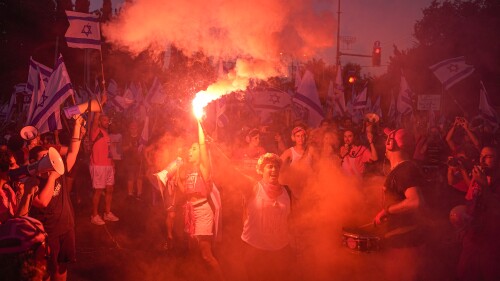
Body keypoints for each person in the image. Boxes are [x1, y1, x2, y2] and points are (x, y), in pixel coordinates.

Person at [28, 115, 85, 281]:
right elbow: (42, 202)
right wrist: (52, 178)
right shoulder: (32, 182)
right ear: (33, 162)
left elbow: (74, 151)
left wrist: (76, 125)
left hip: (67, 228)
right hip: (48, 235)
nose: (49, 160)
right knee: (45, 272)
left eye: (49, 156)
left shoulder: (58, 170)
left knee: (62, 267)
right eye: (43, 158)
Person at [374, 128, 426, 281]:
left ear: (391, 144)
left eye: (387, 139)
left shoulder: (405, 169)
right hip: (401, 240)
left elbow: (416, 202)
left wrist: (387, 211)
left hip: (406, 242)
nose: (385, 143)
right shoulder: (401, 169)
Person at [176, 119, 224, 281]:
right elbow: (186, 193)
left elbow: (203, 147)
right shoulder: (189, 171)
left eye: (194, 148)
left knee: (206, 255)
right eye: (190, 148)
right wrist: (177, 179)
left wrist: (198, 122)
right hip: (190, 212)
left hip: (203, 212)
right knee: (192, 250)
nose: (190, 150)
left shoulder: (204, 167)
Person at [240, 153, 294, 281]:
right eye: (270, 166)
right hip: (255, 251)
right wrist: (211, 147)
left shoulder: (287, 191)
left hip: (280, 251)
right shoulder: (253, 187)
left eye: (276, 167)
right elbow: (230, 170)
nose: (274, 170)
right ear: (261, 170)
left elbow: (291, 219)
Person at [457, 146, 500, 280]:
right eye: (481, 155)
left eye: (488, 156)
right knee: (464, 274)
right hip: (472, 237)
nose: (481, 159)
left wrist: (484, 186)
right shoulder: (478, 177)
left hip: (491, 241)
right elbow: (470, 204)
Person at [89, 93, 119, 225]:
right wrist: (102, 102)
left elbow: (108, 151)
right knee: (99, 190)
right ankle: (94, 215)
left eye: (108, 120)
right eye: (105, 120)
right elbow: (96, 116)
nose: (107, 122)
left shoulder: (107, 134)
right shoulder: (95, 131)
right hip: (98, 166)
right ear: (100, 121)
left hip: (107, 166)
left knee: (110, 189)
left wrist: (112, 163)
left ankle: (107, 213)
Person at [122, 120, 144, 200]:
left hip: (139, 161)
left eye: (135, 127)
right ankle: (130, 194)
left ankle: (139, 194)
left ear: (137, 128)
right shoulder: (127, 138)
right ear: (129, 129)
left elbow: (144, 148)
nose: (133, 129)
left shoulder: (141, 138)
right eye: (132, 127)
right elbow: (122, 149)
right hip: (130, 161)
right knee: (130, 178)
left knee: (139, 178)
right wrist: (129, 146)